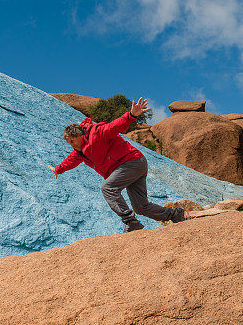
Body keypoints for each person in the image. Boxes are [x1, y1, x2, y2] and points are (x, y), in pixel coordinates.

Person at [49, 97, 186, 232]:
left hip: (131, 162)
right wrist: (57, 170)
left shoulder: (97, 132)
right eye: (69, 143)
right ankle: (175, 214)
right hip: (133, 166)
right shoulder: (79, 151)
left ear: (79, 135)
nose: (72, 146)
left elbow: (115, 125)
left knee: (108, 188)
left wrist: (132, 115)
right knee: (141, 207)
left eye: (72, 141)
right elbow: (70, 161)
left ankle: (130, 221)